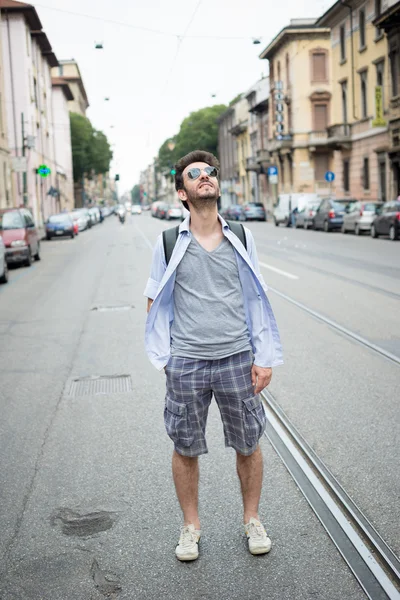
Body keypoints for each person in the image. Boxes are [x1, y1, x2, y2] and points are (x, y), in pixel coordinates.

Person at [144, 150, 283, 562]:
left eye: (209, 172)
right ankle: (191, 527)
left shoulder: (241, 234)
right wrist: (167, 358)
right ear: (182, 193)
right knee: (185, 446)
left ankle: (252, 519)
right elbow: (154, 299)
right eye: (194, 174)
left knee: (248, 442)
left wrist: (264, 356)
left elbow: (256, 296)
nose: (205, 177)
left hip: (237, 357)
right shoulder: (168, 241)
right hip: (186, 360)